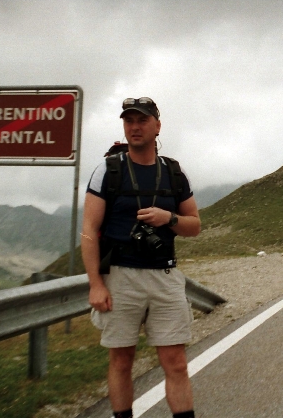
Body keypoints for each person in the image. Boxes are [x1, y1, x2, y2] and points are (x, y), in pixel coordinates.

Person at [81, 97, 201, 418]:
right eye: (129, 120)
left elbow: (195, 226)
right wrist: (95, 284)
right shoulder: (107, 171)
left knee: (175, 362)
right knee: (121, 361)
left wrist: (169, 219)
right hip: (119, 277)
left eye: (143, 120)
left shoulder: (175, 173)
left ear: (157, 126)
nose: (135, 126)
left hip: (165, 276)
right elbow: (89, 231)